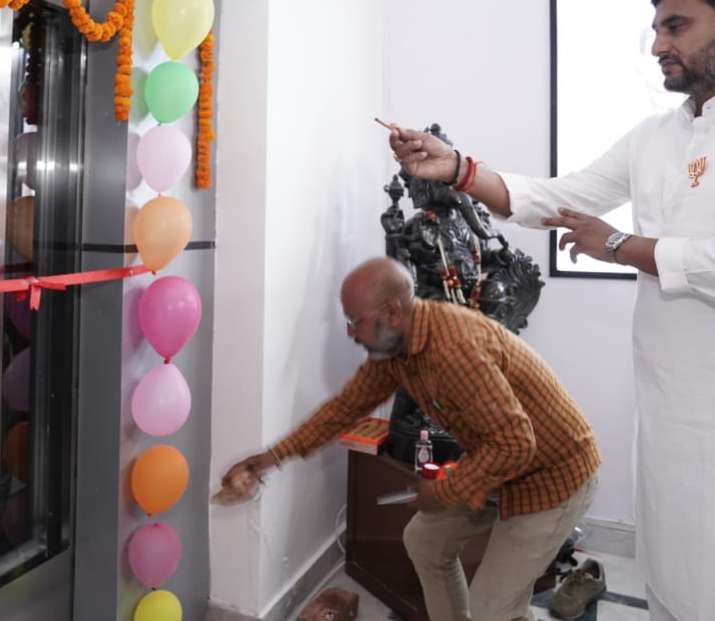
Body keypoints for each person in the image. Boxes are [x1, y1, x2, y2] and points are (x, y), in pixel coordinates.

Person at [387, 0, 715, 621]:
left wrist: (618, 245)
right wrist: (460, 169)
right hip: (675, 409)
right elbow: (559, 197)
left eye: (676, 26)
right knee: (680, 575)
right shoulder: (656, 134)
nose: (658, 44)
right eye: (658, 28)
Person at [220, 257, 601, 621]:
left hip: (553, 475)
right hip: (499, 462)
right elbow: (344, 408)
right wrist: (272, 457)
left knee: (493, 610)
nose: (350, 333)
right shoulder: (396, 349)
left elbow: (515, 444)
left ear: (391, 312)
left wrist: (445, 491)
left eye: (355, 321)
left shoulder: (454, 349)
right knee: (424, 541)